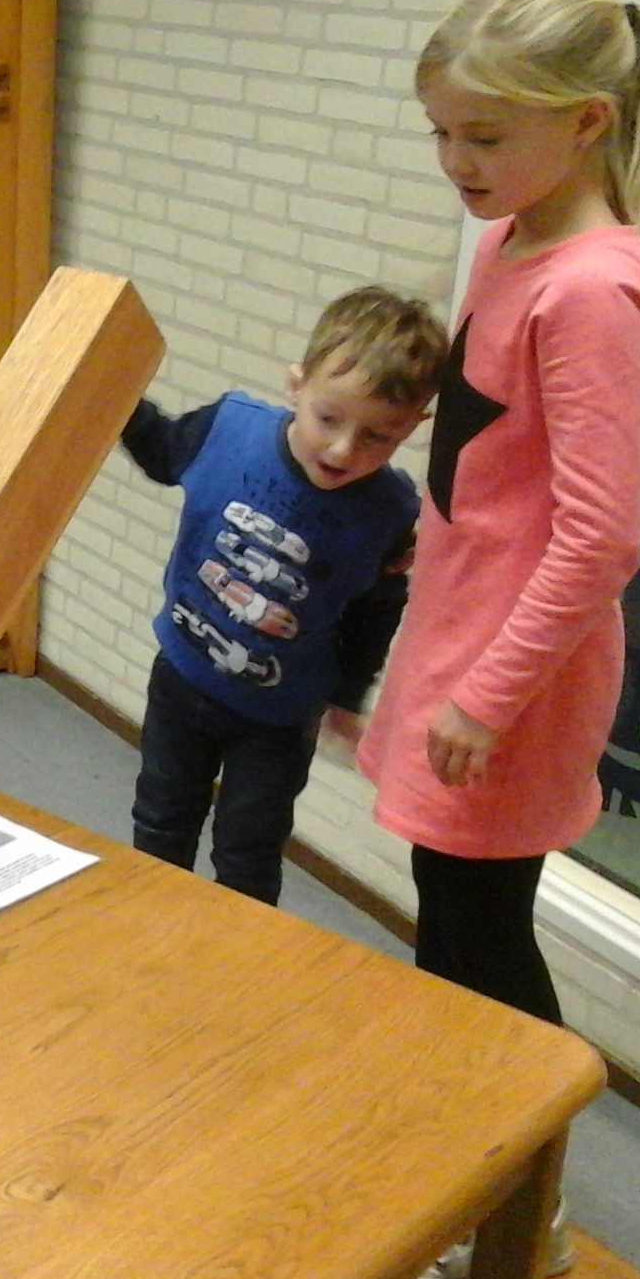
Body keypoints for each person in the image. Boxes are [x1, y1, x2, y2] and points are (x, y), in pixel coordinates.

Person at [357, 0, 640, 1279]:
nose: (456, 162)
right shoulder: (512, 242)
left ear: (587, 121)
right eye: (441, 131)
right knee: (448, 923)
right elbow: (498, 465)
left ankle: (522, 1202)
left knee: (479, 938)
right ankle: (467, 1156)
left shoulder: (593, 289)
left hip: (512, 677)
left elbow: (598, 539)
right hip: (460, 635)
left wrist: (485, 696)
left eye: (484, 136)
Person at [122, 286, 447, 905]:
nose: (344, 450)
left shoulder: (390, 511)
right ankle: (151, 936)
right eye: (329, 419)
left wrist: (347, 697)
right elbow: (162, 451)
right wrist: (110, 392)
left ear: (413, 427)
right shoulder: (229, 429)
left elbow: (374, 609)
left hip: (277, 719)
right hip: (184, 680)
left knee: (249, 851)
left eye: (379, 437)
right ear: (297, 385)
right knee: (161, 822)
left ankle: (237, 954)